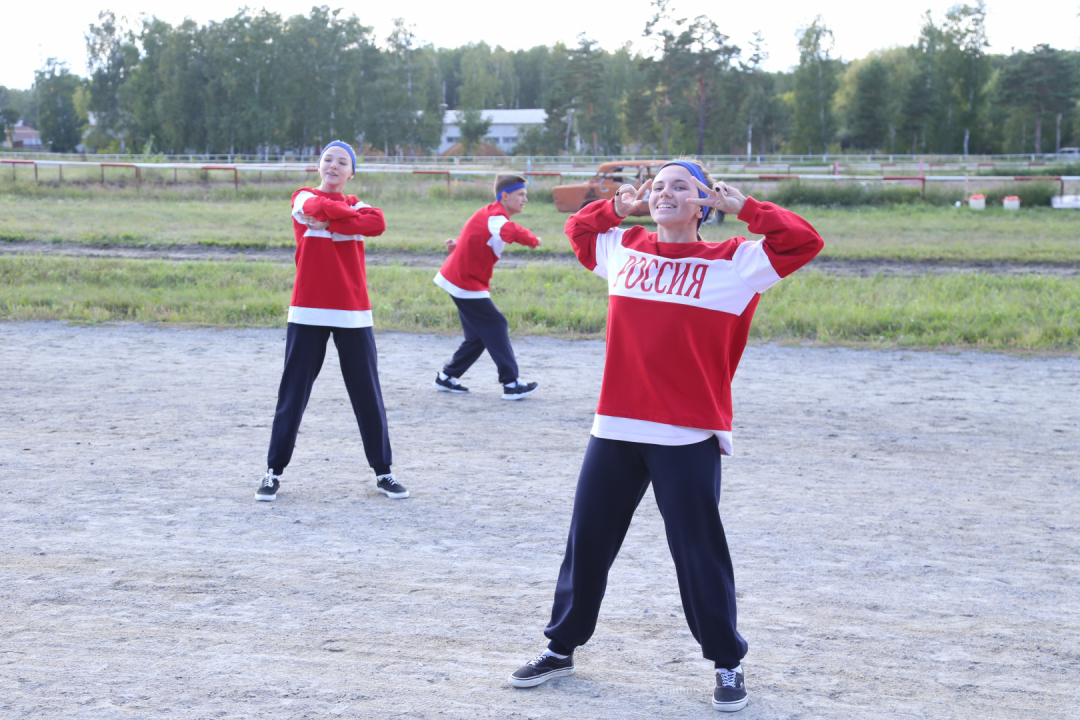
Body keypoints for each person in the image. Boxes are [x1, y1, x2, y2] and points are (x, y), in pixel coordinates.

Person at [507, 158, 824, 712]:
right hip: (616, 427)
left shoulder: (736, 261)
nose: (665, 194)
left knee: (698, 553)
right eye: (658, 187)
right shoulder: (625, 247)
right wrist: (614, 206)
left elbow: (804, 241)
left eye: (682, 187)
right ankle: (560, 648)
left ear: (705, 202)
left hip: (687, 434)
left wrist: (745, 208)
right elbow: (579, 229)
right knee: (588, 544)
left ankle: (727, 663)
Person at [256, 141, 409, 502]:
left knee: (367, 394)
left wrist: (334, 221)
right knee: (293, 394)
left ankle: (383, 473)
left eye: (343, 162)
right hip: (307, 309)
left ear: (352, 172)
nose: (334, 166)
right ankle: (272, 472)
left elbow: (379, 222)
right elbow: (314, 206)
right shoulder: (302, 197)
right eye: (328, 159)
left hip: (353, 312)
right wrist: (343, 221)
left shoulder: (359, 205)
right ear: (318, 165)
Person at [432, 173, 543, 400]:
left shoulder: (490, 213)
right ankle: (511, 383)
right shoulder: (496, 216)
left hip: (462, 279)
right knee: (495, 324)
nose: (525, 199)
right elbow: (509, 231)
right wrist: (533, 239)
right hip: (465, 281)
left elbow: (477, 234)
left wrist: (458, 244)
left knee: (477, 336)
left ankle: (446, 377)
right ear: (505, 196)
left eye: (526, 194)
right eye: (521, 194)